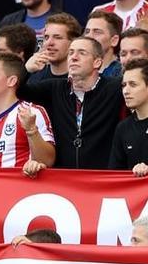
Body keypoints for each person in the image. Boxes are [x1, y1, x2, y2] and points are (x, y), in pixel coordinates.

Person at [21, 34, 124, 170]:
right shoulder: (54, 88)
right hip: (65, 180)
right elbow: (18, 91)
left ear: (97, 62)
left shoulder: (115, 88)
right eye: (71, 53)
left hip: (102, 178)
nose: (73, 57)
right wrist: (26, 70)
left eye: (82, 53)